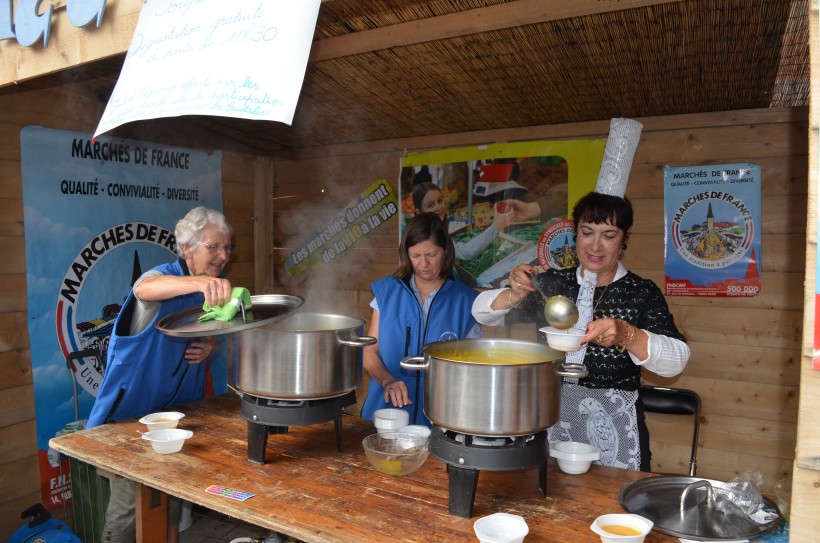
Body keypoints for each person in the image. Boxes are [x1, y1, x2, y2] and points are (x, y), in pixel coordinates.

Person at [472, 192, 690, 471]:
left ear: (625, 238)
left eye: (609, 235)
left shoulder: (640, 292)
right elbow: (482, 313)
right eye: (587, 233)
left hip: (613, 428)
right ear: (575, 234)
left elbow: (678, 360)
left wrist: (627, 335)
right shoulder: (552, 284)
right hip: (548, 421)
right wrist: (514, 295)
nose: (596, 246)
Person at [87, 206, 234, 543]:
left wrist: (209, 345)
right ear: (187, 248)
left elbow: (204, 329)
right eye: (214, 247)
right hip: (127, 422)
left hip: (174, 419)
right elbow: (143, 290)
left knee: (168, 504)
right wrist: (200, 281)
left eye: (227, 248)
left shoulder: (205, 292)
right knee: (128, 515)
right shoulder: (165, 278)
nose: (223, 255)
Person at [361, 212, 481, 426]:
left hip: (442, 421)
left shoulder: (466, 301)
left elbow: (474, 367)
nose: (423, 264)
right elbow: (369, 350)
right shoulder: (387, 293)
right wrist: (387, 380)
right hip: (386, 416)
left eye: (431, 255)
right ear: (406, 255)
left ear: (446, 252)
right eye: (415, 256)